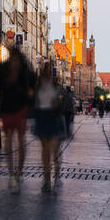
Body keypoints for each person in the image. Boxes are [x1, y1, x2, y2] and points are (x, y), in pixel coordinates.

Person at [0, 47, 35, 194]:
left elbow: (31, 84)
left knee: (21, 140)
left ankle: (18, 172)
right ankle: (12, 173)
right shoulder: (4, 68)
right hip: (7, 107)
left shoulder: (24, 69)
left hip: (20, 107)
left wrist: (28, 101)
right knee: (9, 140)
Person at [33, 62, 65, 193]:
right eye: (45, 69)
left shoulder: (57, 85)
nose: (48, 72)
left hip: (54, 117)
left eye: (49, 70)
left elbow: (62, 102)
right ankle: (47, 180)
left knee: (55, 149)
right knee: (45, 150)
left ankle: (57, 174)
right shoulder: (38, 85)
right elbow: (34, 101)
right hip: (42, 116)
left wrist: (57, 102)